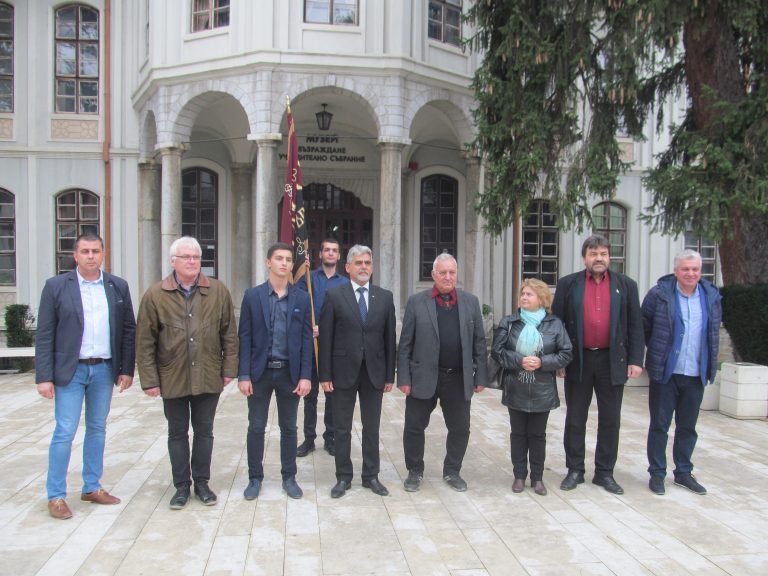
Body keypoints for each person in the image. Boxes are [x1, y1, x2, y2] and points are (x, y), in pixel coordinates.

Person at [35, 233, 136, 520]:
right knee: (65, 430)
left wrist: (126, 368)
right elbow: (45, 333)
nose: (91, 256)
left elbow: (128, 329)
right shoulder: (56, 287)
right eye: (85, 251)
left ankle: (92, 486)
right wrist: (44, 376)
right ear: (75, 255)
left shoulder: (117, 286)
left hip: (103, 369)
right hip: (71, 371)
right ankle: (56, 495)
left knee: (97, 428)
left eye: (96, 251)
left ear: (103, 254)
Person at [136, 236, 238, 510]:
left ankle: (202, 482)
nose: (192, 261)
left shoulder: (217, 291)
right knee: (177, 433)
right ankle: (181, 485)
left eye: (196, 257)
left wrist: (229, 368)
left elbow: (229, 333)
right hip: (173, 376)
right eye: (186, 257)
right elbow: (145, 342)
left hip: (208, 374)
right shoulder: (156, 295)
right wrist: (149, 380)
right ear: (173, 261)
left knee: (205, 432)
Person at [552, 234, 644, 494]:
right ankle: (575, 470)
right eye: (593, 254)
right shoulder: (568, 284)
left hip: (612, 360)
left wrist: (636, 359)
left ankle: (604, 473)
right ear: (585, 258)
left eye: (603, 254)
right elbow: (556, 324)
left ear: (609, 257)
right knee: (575, 418)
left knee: (610, 419)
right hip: (578, 360)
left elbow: (635, 325)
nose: (599, 258)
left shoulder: (626, 285)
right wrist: (559, 360)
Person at [397, 253, 487, 492]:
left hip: (457, 377)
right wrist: (404, 378)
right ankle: (415, 470)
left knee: (460, 428)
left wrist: (481, 377)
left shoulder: (470, 302)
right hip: (423, 376)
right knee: (414, 426)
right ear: (433, 275)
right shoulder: (417, 302)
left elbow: (479, 342)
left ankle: (452, 470)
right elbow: (405, 344)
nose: (448, 277)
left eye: (452, 272)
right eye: (443, 272)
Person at [318, 245, 396, 498]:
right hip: (342, 372)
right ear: (348, 267)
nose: (364, 267)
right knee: (342, 428)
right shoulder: (334, 296)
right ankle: (343, 477)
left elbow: (389, 338)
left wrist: (389, 375)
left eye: (367, 263)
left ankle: (371, 476)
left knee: (371, 428)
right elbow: (326, 337)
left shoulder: (384, 297)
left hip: (374, 372)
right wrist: (324, 374)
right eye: (359, 263)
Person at [642, 249, 721, 496]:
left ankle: (683, 472)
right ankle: (657, 473)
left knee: (687, 427)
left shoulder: (711, 296)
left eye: (695, 269)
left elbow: (713, 333)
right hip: (666, 373)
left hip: (695, 373)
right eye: (685, 269)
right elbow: (644, 328)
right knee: (660, 426)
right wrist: (657, 354)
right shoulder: (659, 295)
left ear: (700, 271)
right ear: (676, 271)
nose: (690, 273)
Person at [238, 242, 313, 500]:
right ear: (268, 262)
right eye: (279, 258)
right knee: (256, 427)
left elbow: (306, 340)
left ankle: (289, 477)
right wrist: (244, 375)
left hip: (289, 374)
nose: (284, 263)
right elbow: (245, 337)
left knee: (289, 428)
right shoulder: (252, 296)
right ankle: (254, 478)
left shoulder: (301, 298)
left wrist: (305, 375)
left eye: (288, 259)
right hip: (259, 373)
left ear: (292, 265)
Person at [491, 279, 572, 496]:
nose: (524, 297)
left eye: (529, 294)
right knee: (518, 434)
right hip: (516, 386)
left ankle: (537, 478)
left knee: (537, 435)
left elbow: (566, 353)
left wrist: (542, 362)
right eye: (523, 294)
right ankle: (519, 475)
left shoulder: (555, 324)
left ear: (542, 299)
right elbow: (497, 352)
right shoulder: (510, 322)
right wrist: (519, 360)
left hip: (542, 390)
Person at [295, 238, 349, 458]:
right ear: (320, 254)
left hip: (333, 349)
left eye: (334, 250)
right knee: (309, 396)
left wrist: (327, 330)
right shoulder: (308, 278)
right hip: (311, 346)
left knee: (331, 395)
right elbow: (297, 305)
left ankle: (330, 437)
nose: (330, 253)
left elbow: (347, 315)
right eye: (326, 250)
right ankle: (309, 439)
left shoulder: (344, 283)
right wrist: (310, 327)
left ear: (339, 256)